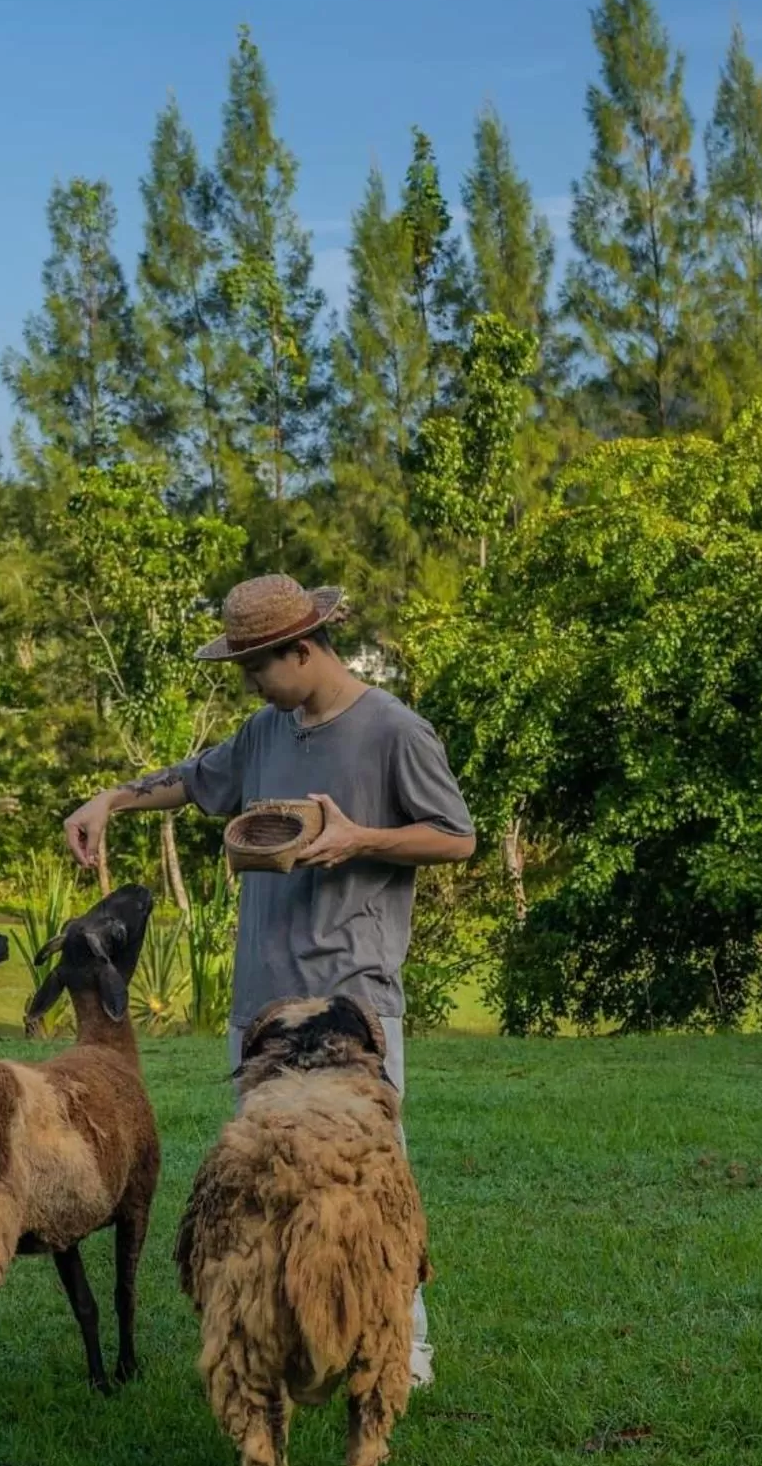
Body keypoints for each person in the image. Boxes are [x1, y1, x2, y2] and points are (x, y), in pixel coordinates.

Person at [64, 572, 475, 1386]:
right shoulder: (264, 731)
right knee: (269, 1175)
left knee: (371, 1177)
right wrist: (110, 799)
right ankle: (296, 1330)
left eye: (257, 666)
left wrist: (360, 838)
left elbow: (455, 837)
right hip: (260, 1008)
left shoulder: (394, 731)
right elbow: (194, 779)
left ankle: (403, 1343)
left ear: (302, 648)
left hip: (351, 1001)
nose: (251, 683)